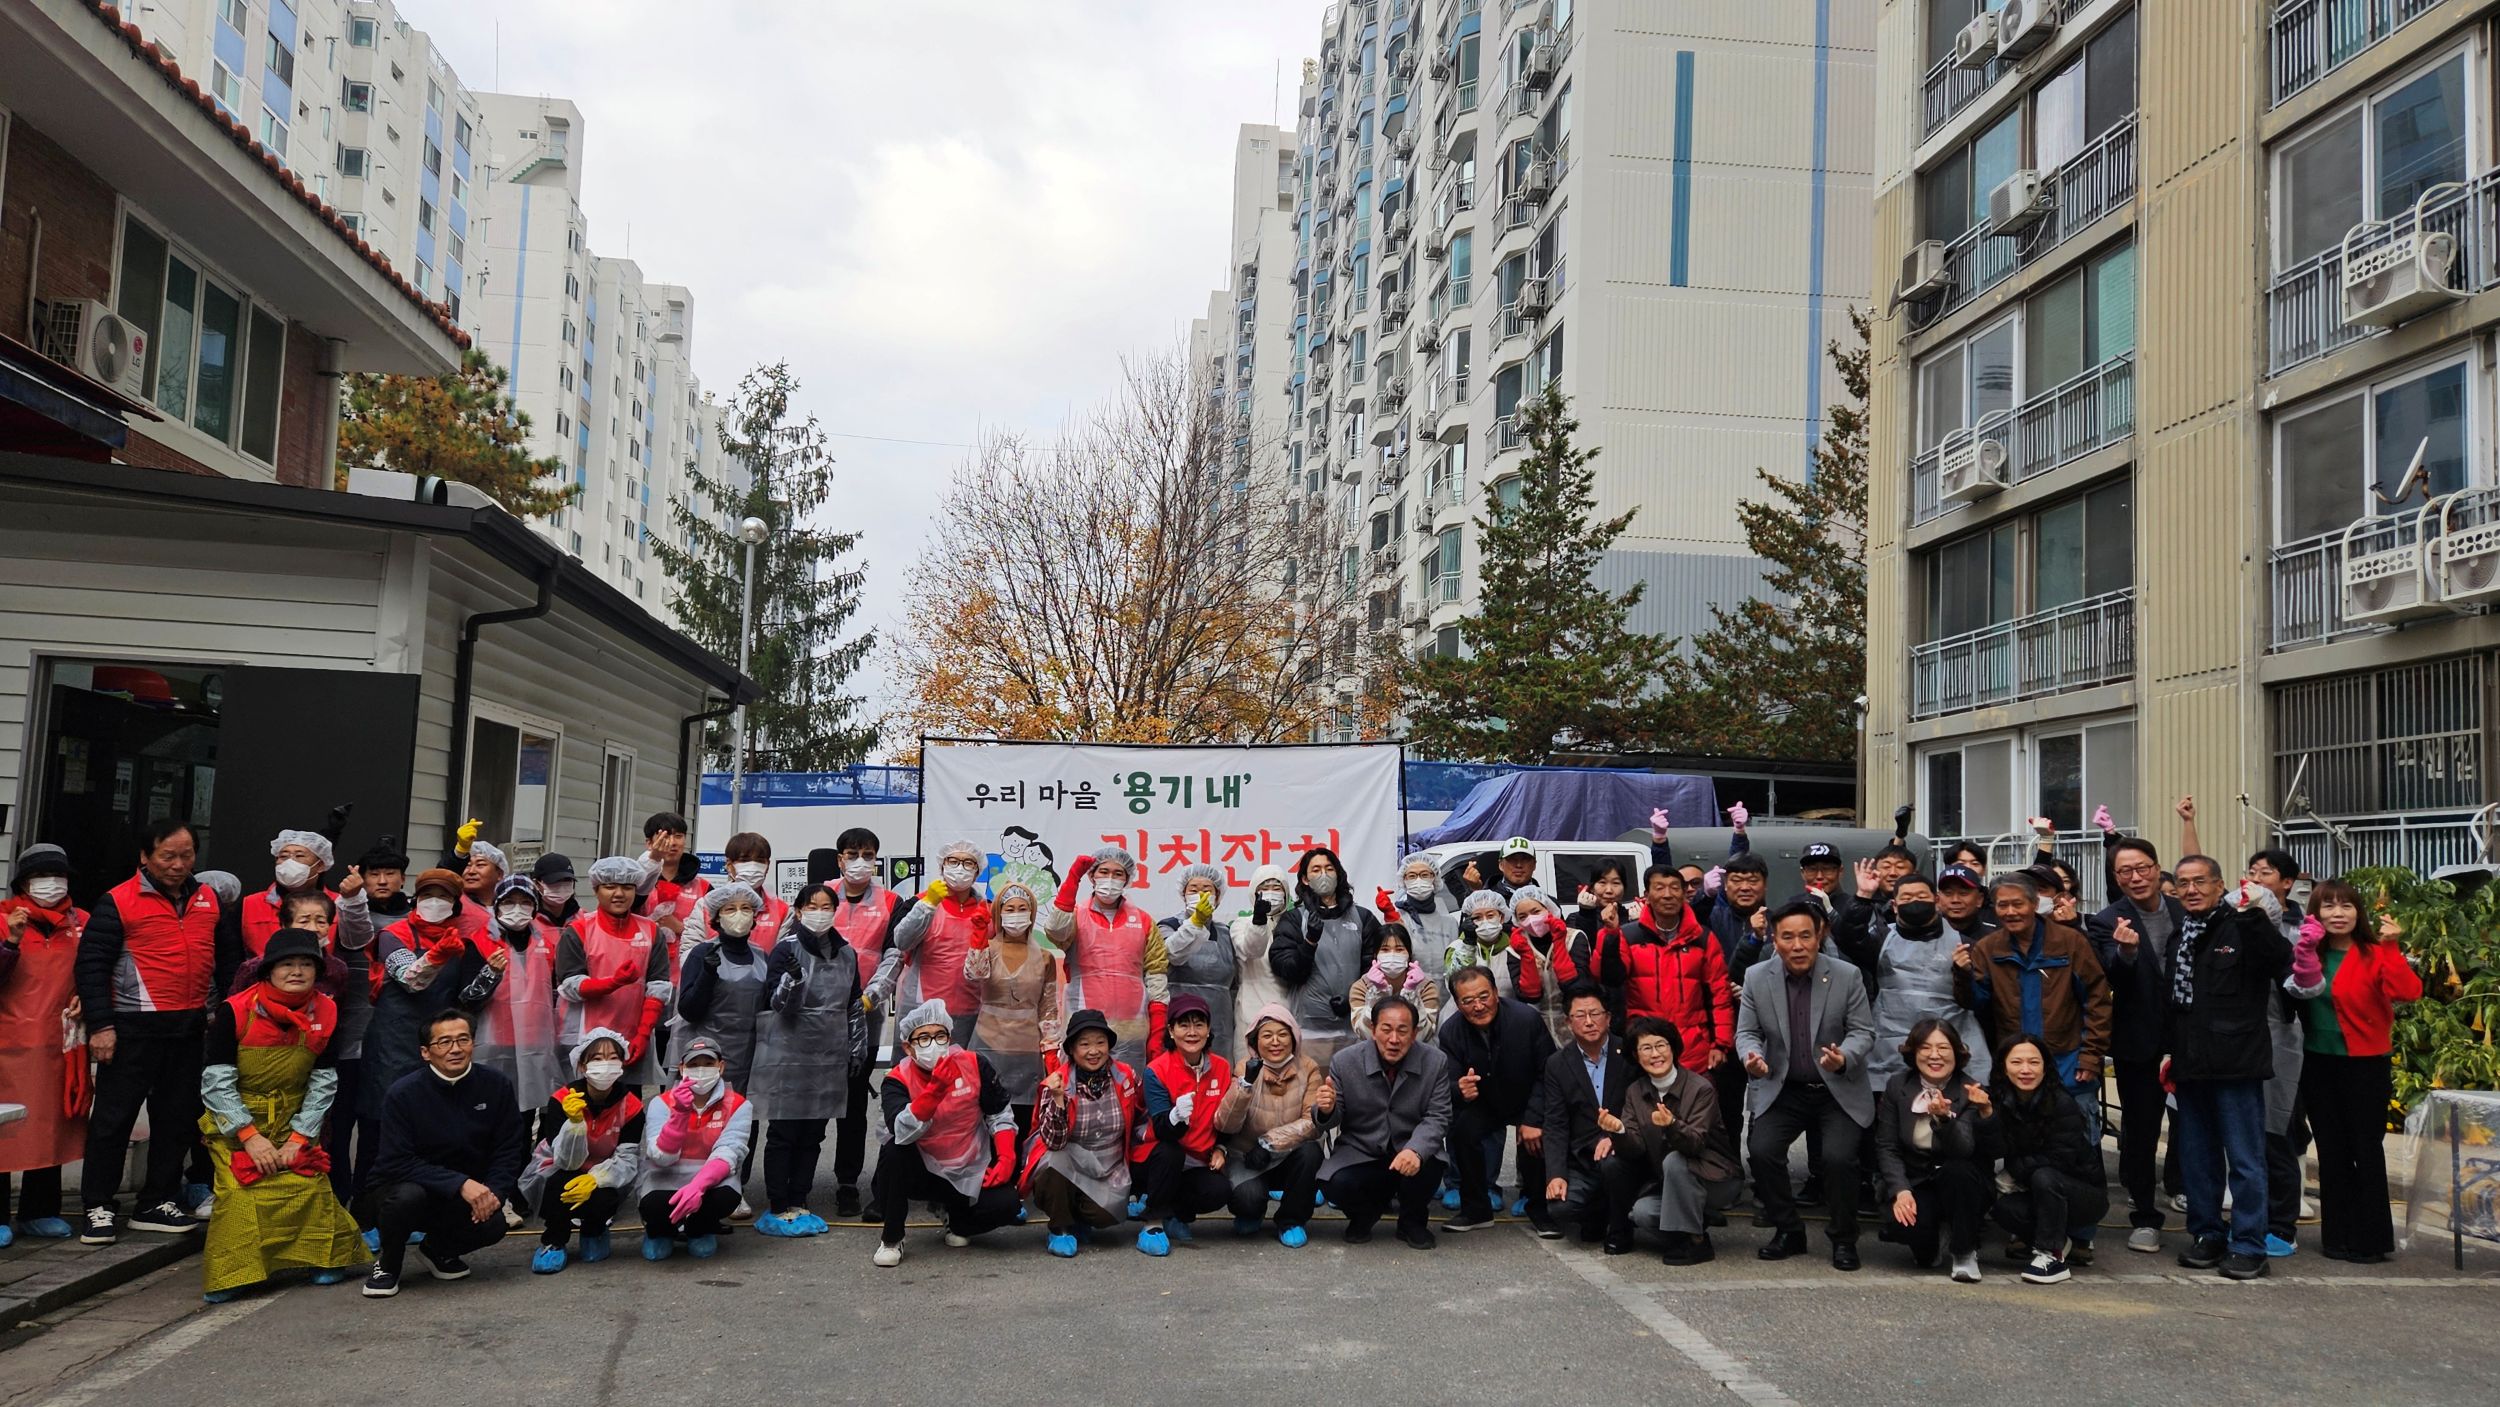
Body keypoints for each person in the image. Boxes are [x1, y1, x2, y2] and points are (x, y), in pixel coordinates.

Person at [74, 819, 242, 1243]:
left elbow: (228, 963)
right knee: (113, 1120)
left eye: (186, 855)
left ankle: (156, 1201)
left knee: (177, 1119)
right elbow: (91, 967)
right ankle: (97, 1205)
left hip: (189, 1027)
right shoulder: (117, 900)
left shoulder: (208, 899)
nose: (178, 864)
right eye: (168, 856)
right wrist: (101, 1026)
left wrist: (226, 1017)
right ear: (145, 857)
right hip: (131, 1026)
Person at [196, 930, 365, 1301]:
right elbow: (216, 1082)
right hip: (237, 1124)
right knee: (239, 1198)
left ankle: (326, 1259)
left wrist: (300, 1137)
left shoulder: (327, 1010)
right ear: (268, 971)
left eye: (306, 964)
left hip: (295, 1120)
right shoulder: (234, 1011)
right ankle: (235, 1274)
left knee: (310, 1188)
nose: (297, 971)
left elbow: (323, 1080)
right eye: (287, 964)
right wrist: (249, 1136)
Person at [2165, 856, 2294, 1280]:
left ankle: (2248, 1243)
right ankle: (2207, 1233)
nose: (2191, 890)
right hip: (2190, 1063)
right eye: (2183, 883)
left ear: (2220, 886)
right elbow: (2174, 1003)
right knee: (2197, 1159)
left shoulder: (2243, 926)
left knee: (2245, 1160)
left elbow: (2281, 961)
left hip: (2237, 1064)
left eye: (2200, 881)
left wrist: (2254, 916)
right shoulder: (2181, 934)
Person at [1736, 900, 1875, 1271]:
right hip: (1784, 1085)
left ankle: (1844, 1238)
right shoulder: (1756, 977)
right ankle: (1789, 1230)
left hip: (1836, 1087)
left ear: (1820, 935)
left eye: (1805, 936)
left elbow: (1863, 1031)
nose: (1797, 946)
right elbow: (1746, 1032)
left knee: (1838, 1159)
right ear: (1775, 940)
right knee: (1762, 1150)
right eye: (1787, 937)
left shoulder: (1847, 975)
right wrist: (1752, 1056)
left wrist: (1843, 1057)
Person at [358, 1010, 530, 1298]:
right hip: (403, 1189)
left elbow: (509, 1148)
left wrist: (495, 1192)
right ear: (425, 1052)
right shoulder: (403, 1093)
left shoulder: (496, 1085)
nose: (455, 1049)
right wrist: (460, 1183)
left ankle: (437, 1250)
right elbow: (396, 1161)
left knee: (494, 1224)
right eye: (444, 1042)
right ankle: (388, 1264)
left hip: (462, 1195)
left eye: (463, 1039)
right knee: (406, 1198)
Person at [2295, 879, 2421, 1264]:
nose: (2338, 914)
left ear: (2358, 913)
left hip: (2365, 1064)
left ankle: (2370, 1239)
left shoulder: (2375, 952)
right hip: (2318, 1062)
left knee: (2365, 1149)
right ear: (2316, 913)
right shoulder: (2307, 953)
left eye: (2346, 906)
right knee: (2330, 1149)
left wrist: (2392, 947)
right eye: (2329, 906)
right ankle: (2336, 1236)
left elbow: (2408, 991)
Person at [359, 868, 503, 1174]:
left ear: (455, 905)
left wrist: (490, 973)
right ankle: (369, 1194)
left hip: (440, 1047)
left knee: (431, 1125)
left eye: (443, 897)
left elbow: (467, 1001)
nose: (434, 902)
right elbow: (410, 979)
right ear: (415, 899)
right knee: (381, 1126)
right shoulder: (392, 935)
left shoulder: (463, 943)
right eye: (427, 895)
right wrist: (437, 955)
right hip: (393, 1045)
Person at [2086, 833, 2187, 1253]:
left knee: (2194, 1127)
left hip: (2190, 1038)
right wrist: (2126, 954)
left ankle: (2200, 1209)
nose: (2135, 877)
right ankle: (2145, 1214)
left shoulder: (2185, 910)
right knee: (2142, 1131)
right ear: (2116, 878)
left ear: (2157, 869)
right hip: (2138, 1040)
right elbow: (2110, 976)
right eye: (2125, 871)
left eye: (2142, 868)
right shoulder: (2106, 921)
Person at [750, 881, 870, 1235]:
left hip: (827, 1057)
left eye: (827, 907)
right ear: (799, 912)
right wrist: (792, 981)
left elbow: (853, 1004)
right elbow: (776, 1005)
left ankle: (799, 1199)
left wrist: (857, 1047)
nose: (820, 913)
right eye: (812, 907)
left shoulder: (846, 953)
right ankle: (778, 1203)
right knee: (784, 1132)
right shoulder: (785, 950)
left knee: (813, 1134)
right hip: (788, 1054)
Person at [1953, 873, 2111, 1140]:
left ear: (2035, 903)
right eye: (2002, 905)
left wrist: (2090, 1055)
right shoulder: (1988, 949)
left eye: (2018, 904)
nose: (2010, 912)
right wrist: (1962, 975)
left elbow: (2097, 1000)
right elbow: (1976, 1004)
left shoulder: (2069, 942)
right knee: (2023, 1145)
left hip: (2069, 1061)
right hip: (2017, 1067)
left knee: (2079, 1144)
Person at [872, 998, 1021, 1267]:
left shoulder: (974, 1063)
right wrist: (934, 1092)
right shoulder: (897, 1079)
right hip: (921, 1170)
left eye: (940, 1036)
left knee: (1007, 1205)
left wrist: (1007, 1156)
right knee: (894, 1150)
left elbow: (999, 1112)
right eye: (923, 1038)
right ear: (908, 1047)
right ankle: (892, 1238)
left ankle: (957, 1219)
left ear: (949, 1038)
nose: (933, 1044)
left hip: (967, 1165)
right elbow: (901, 1130)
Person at [1593, 866, 1736, 1138]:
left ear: (1684, 894)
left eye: (1674, 888)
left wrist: (1721, 1044)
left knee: (1698, 1127)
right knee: (1646, 1126)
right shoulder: (1629, 935)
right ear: (1646, 895)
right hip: (1644, 1049)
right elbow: (1607, 976)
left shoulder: (1704, 938)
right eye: (1659, 888)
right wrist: (1609, 934)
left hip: (1694, 1048)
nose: (1667, 894)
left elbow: (1720, 994)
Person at [820, 826, 915, 1219]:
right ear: (839, 859)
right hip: (817, 1015)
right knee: (810, 1099)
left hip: (864, 1015)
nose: (860, 861)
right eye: (852, 854)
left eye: (868, 854)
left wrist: (869, 998)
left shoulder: (891, 901)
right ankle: (795, 1183)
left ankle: (847, 1182)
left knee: (854, 1101)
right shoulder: (820, 895)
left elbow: (894, 956)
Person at [1315, 992, 1453, 1249]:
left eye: (1403, 1031)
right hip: (1362, 1150)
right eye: (1386, 1029)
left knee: (1430, 1163)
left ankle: (1412, 1223)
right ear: (1372, 1029)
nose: (1394, 1039)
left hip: (1410, 1146)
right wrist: (1326, 1109)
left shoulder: (1435, 1061)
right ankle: (1365, 1214)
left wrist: (1416, 1149)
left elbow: (1438, 1115)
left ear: (1415, 1033)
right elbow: (1332, 1119)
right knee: (1335, 1183)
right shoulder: (1345, 1061)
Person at [1, 844, 88, 1244]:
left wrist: (89, 997)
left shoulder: (82, 923)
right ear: (22, 883)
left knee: (51, 1126)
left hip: (59, 1043)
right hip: (8, 1042)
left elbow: (96, 969)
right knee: (5, 1129)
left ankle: (40, 1210)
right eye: (40, 876)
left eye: (59, 876)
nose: (51, 884)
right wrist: (11, 942)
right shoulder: (3, 919)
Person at [2245, 847, 2324, 1258]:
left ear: (2287, 883)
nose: (2256, 878)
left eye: (2266, 872)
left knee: (2278, 1133)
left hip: (2282, 1038)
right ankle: (2252, 1219)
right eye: (2252, 871)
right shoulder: (2236, 921)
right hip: (2239, 1039)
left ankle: (2282, 1224)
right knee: (2246, 1138)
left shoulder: (2301, 928)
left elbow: (2304, 987)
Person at [1436, 965, 1556, 1235]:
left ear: (1495, 993)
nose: (1478, 1006)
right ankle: (1475, 1209)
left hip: (1527, 1096)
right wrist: (1460, 1089)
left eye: (1484, 996)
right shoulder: (1451, 1031)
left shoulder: (1526, 1019)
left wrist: (1533, 1118)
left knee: (1537, 1136)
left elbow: (1548, 1072)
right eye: (1468, 1001)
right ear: (1457, 1004)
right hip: (1485, 1100)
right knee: (1462, 1130)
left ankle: (1540, 1209)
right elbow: (1448, 1083)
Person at [1871, 1018, 1991, 1281]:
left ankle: (1964, 1251)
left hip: (1960, 1180)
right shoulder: (1897, 1086)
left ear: (1957, 1053)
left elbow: (1963, 1149)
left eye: (1943, 1048)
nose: (1934, 1055)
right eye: (1925, 1048)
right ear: (1914, 1052)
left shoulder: (1970, 1089)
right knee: (1910, 1235)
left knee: (1958, 1171)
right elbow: (1887, 1146)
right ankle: (1933, 1239)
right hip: (1917, 1180)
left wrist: (1944, 1120)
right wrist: (1901, 1190)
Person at [1025, 1007, 1151, 1258]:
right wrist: (1058, 1100)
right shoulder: (1057, 1081)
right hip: (1067, 1160)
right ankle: (1060, 1227)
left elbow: (1141, 1118)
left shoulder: (1126, 1076)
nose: (1094, 1051)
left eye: (1100, 1042)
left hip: (1108, 1165)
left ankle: (1080, 1217)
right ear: (1072, 1049)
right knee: (1052, 1162)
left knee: (1106, 1216)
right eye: (1084, 1044)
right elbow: (1054, 1142)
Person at [1985, 1034, 2109, 1285]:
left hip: (2082, 1193)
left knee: (2045, 1176)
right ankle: (2059, 1241)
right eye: (2016, 1062)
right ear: (2003, 1067)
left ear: (2045, 1067)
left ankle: (2051, 1255)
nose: (2026, 1070)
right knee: (2002, 1207)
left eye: (2034, 1062)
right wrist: (1985, 1115)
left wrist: (2013, 1173)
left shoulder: (2062, 1102)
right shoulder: (2000, 1099)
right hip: (2036, 1189)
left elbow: (2060, 1158)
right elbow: (1993, 1147)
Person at [1615, 1016, 1740, 1264]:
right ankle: (1694, 1225)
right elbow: (1635, 1148)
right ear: (1636, 1056)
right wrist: (1618, 1131)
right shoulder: (1635, 1091)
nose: (1655, 1054)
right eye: (1646, 1048)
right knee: (1641, 1213)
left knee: (1675, 1160)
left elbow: (1694, 1144)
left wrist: (1672, 1124)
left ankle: (1696, 1242)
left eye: (1660, 1045)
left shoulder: (1700, 1088)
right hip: (1671, 1184)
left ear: (1672, 1047)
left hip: (1716, 1180)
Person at [518, 1028, 642, 1273]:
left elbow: (628, 1159)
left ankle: (595, 1231)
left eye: (613, 1058)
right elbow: (565, 1161)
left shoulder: (631, 1105)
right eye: (597, 1058)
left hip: (605, 1169)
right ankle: (554, 1240)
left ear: (622, 1064)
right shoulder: (562, 1099)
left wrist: (596, 1178)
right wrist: (574, 1125)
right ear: (582, 1066)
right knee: (560, 1185)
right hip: (561, 1167)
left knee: (605, 1195)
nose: (605, 1064)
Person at [1862, 874, 1994, 1099]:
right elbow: (1850, 938)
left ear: (1936, 900)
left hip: (1953, 1042)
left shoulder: (1965, 945)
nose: (1915, 902)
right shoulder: (1881, 938)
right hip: (1892, 1045)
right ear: (1894, 905)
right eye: (1907, 897)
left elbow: (1978, 1002)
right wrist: (1862, 898)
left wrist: (1963, 974)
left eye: (1921, 896)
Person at [1214, 1002, 1328, 1246]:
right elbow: (1225, 1124)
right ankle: (1251, 1213)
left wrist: (1268, 1143)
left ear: (1294, 1038)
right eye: (1267, 1035)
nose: (1275, 1042)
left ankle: (1291, 1220)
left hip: (1288, 1154)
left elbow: (1312, 1122)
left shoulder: (1308, 1068)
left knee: (1311, 1152)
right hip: (1247, 1157)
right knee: (1247, 1200)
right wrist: (1245, 1085)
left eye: (1282, 1034)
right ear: (1255, 1041)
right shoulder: (1244, 1067)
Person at [1046, 845, 1169, 1070]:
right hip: (1084, 1027)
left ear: (1127, 879)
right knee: (1080, 1086)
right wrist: (1072, 880)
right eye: (1104, 872)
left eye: (1118, 873)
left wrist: (1157, 1030)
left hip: (1132, 1029)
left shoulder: (1144, 921)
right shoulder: (1075, 915)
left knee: (1129, 1087)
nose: (1110, 879)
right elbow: (1055, 931)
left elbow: (1156, 974)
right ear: (1091, 875)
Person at [555, 856, 673, 1086]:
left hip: (632, 1037)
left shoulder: (651, 931)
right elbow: (571, 985)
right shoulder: (578, 930)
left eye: (627, 887)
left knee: (628, 1102)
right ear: (596, 890)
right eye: (610, 886)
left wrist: (643, 1034)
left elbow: (658, 988)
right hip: (585, 1039)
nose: (619, 894)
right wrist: (614, 982)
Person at [1538, 984, 1638, 1251]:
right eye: (1580, 1015)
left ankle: (1621, 1229)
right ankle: (1599, 1211)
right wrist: (1556, 1174)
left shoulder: (1629, 1054)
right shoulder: (1557, 1063)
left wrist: (1617, 1136)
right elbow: (1556, 1123)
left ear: (1609, 1017)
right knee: (1560, 1208)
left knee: (1612, 1164)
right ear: (1568, 1022)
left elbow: (1643, 1106)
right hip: (1582, 1157)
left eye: (1595, 1013)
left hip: (1625, 1151)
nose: (1589, 1022)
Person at [637, 1037, 753, 1260]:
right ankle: (659, 1231)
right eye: (693, 1064)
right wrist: (679, 1115)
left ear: (721, 1067)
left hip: (710, 1178)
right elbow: (661, 1158)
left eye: (708, 1063)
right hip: (665, 1176)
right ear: (682, 1069)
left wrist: (698, 1186)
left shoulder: (739, 1105)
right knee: (654, 1204)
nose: (701, 1070)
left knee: (727, 1196)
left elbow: (729, 1152)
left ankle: (700, 1229)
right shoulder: (661, 1103)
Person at [1136, 994, 1235, 1253]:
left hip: (1199, 1158)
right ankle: (1152, 1222)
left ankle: (1176, 1215)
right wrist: (1175, 1116)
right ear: (1171, 1030)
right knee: (1170, 1152)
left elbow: (1227, 1118)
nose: (1192, 1032)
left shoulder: (1222, 1067)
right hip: (1158, 1154)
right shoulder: (1156, 1070)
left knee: (1219, 1190)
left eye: (1199, 1024)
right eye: (1183, 1025)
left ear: (1208, 1029)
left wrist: (1221, 1148)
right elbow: (1161, 1128)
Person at [1268, 846, 1381, 1068]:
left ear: (1338, 874)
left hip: (1356, 1026)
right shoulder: (1294, 919)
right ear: (1305, 879)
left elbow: (1376, 966)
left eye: (1329, 869)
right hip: (1310, 1029)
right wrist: (1309, 942)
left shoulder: (1362, 917)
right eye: (1316, 869)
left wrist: (1354, 998)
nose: (1323, 874)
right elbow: (1285, 969)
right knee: (1313, 1086)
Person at [963, 880, 1060, 1132]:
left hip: (1026, 1052)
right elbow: (974, 973)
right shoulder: (987, 950)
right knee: (985, 1117)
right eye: (1009, 909)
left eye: (1022, 909)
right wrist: (978, 936)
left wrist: (1051, 1052)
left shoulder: (1045, 957)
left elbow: (1048, 1008)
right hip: (988, 1045)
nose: (1016, 914)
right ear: (999, 913)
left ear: (1032, 913)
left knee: (1023, 1120)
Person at [871, 839, 987, 1043]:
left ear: (977, 872)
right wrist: (928, 905)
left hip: (970, 1011)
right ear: (942, 866)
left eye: (968, 863)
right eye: (953, 861)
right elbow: (901, 941)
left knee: (960, 1062)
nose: (960, 868)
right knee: (914, 1061)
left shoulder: (987, 910)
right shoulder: (918, 902)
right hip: (921, 1008)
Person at [473, 875, 562, 1110]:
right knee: (494, 1109)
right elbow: (467, 998)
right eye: (508, 902)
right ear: (497, 905)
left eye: (525, 902)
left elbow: (555, 991)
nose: (517, 908)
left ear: (535, 907)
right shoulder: (479, 940)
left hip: (536, 1041)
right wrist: (489, 974)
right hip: (494, 1041)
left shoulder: (547, 942)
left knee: (528, 1108)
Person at [1159, 864, 1241, 1057]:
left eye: (1207, 890)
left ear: (1217, 897)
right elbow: (1171, 954)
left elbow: (1235, 982)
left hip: (1220, 1023)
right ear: (1184, 894)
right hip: (1179, 1018)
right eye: (1193, 890)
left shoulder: (1226, 933)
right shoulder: (1168, 926)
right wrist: (1195, 922)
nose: (1200, 895)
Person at [239, 829, 339, 958]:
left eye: (299, 856)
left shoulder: (339, 904)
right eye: (283, 856)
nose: (290, 862)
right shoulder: (250, 903)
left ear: (320, 865)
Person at [1507, 885, 1585, 1046]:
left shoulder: (1574, 937)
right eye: (1522, 916)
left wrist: (1559, 942)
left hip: (1575, 1020)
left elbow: (1576, 987)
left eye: (1536, 911)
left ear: (1549, 908)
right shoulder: (1516, 947)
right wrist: (1526, 956)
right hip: (1537, 1027)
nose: (1531, 919)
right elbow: (1529, 996)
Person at [1228, 865, 1292, 1042]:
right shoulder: (1241, 924)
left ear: (1286, 893)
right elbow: (1252, 951)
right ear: (1254, 893)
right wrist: (1258, 922)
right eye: (1264, 888)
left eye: (1277, 888)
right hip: (1251, 1007)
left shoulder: (1294, 923)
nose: (1270, 893)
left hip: (1288, 1007)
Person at [1349, 922, 1441, 1037]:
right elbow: (1366, 1035)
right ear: (1375, 955)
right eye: (1385, 949)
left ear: (1409, 955)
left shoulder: (1426, 986)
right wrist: (1378, 994)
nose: (1392, 955)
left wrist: (1411, 994)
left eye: (1399, 949)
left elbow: (1424, 1035)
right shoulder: (1361, 987)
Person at [1695, 851, 1772, 986]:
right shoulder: (1713, 917)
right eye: (1736, 881)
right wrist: (1704, 896)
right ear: (1725, 885)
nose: (1745, 888)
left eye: (1753, 881)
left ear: (1765, 885)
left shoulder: (1778, 922)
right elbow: (1687, 926)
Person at [636, 812, 705, 944]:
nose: (672, 842)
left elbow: (714, 932)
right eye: (665, 836)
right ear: (649, 843)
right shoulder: (635, 882)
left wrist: (680, 927)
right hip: (643, 954)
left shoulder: (703, 887)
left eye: (678, 836)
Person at [1392, 854, 1458, 978]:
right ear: (1404, 880)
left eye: (1424, 875)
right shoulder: (1398, 919)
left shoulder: (1450, 923)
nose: (1419, 880)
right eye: (1412, 876)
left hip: (1445, 989)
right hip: (1409, 987)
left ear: (1434, 877)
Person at [1446, 890, 1521, 998]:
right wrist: (1469, 945)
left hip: (1507, 1008)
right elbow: (1454, 983)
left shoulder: (1515, 948)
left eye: (1490, 916)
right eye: (1477, 917)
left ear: (1501, 918)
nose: (1485, 922)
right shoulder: (1456, 947)